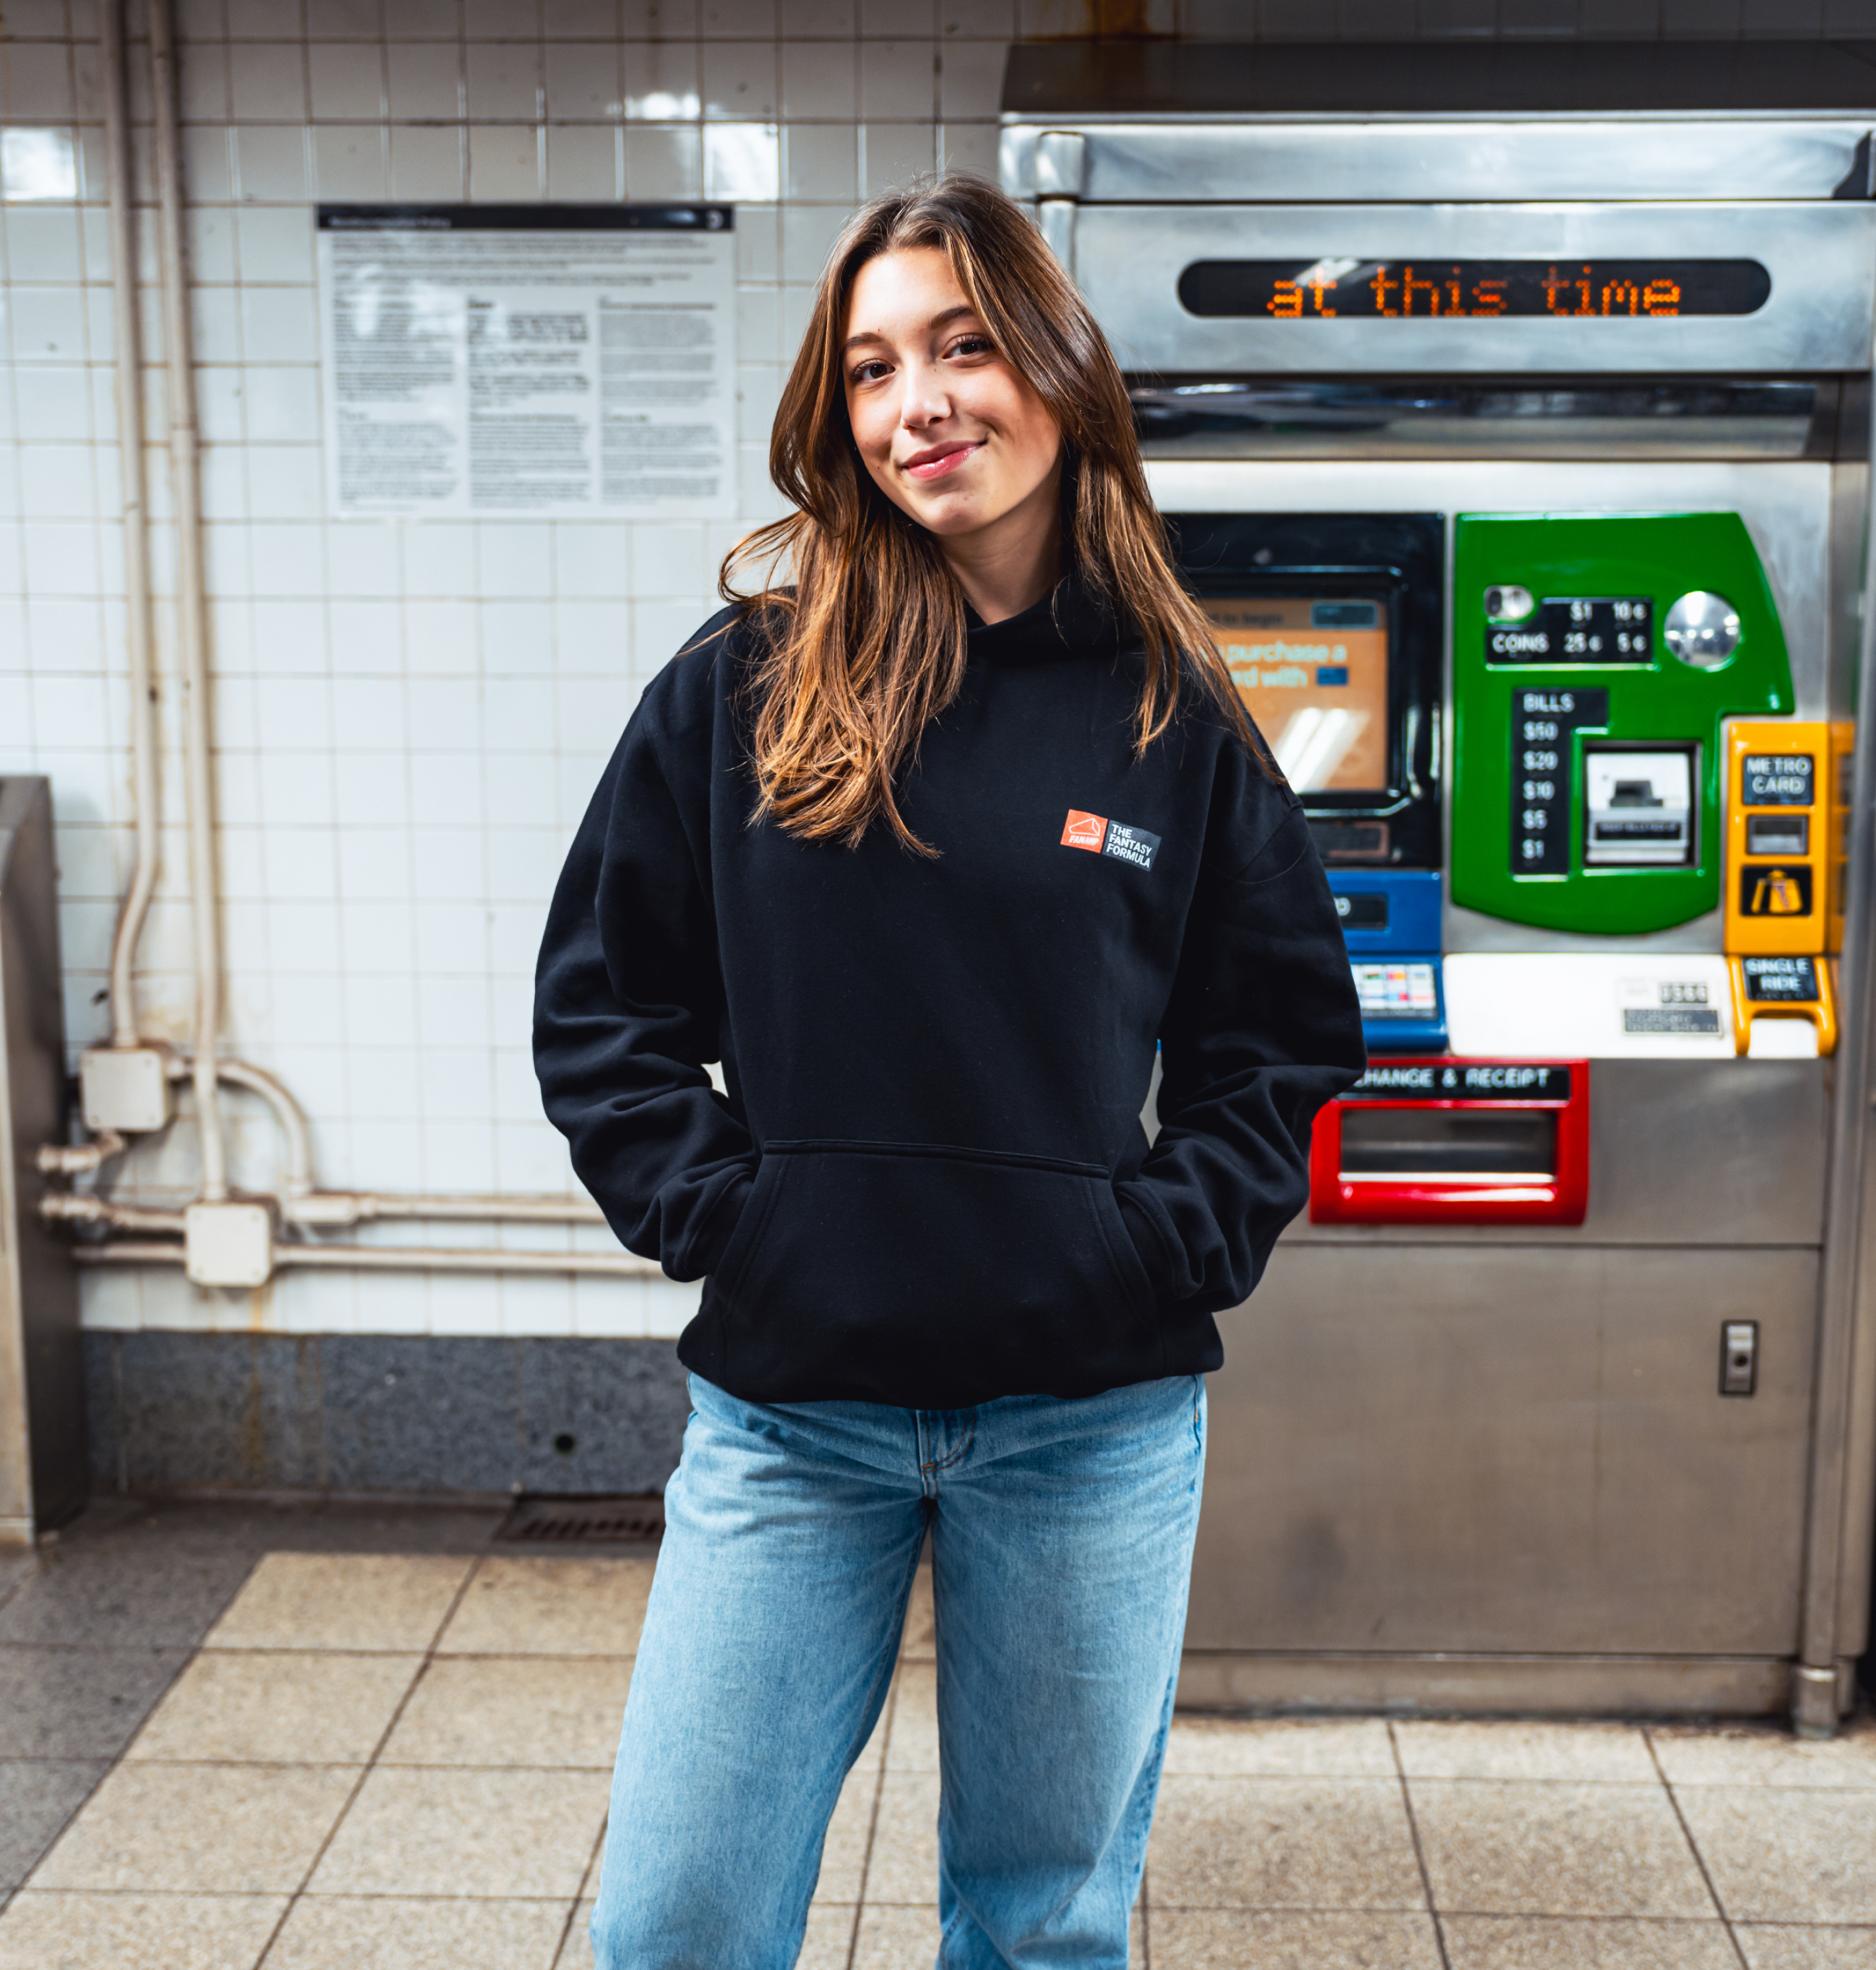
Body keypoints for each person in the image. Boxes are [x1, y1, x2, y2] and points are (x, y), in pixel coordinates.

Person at [534, 173, 1364, 1970]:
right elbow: (601, 1007)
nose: (920, 402)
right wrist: (736, 1223)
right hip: (793, 1412)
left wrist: (1153, 1246)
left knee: (1043, 1923)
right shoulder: (746, 687)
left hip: (1089, 1426)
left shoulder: (1171, 713)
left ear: (1060, 374)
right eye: (871, 366)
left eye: (966, 345)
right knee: (679, 1916)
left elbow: (1278, 1044)